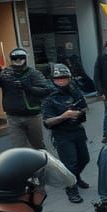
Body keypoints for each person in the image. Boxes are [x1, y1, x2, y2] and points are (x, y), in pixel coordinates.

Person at [0, 48, 50, 150]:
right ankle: (25, 165)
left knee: (38, 146)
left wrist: (27, 87)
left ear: (25, 59)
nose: (18, 60)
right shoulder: (5, 74)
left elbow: (44, 91)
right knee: (19, 148)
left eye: (21, 58)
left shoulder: (33, 73)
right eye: (15, 58)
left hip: (32, 115)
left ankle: (44, 164)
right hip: (13, 116)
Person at [41, 64, 90, 204]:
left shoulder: (74, 91)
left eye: (64, 78)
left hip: (78, 131)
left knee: (84, 159)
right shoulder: (49, 97)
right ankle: (71, 189)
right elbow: (47, 122)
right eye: (58, 79)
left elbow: (84, 107)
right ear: (53, 79)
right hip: (62, 134)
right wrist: (64, 116)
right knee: (70, 163)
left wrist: (79, 113)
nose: (61, 81)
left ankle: (75, 177)